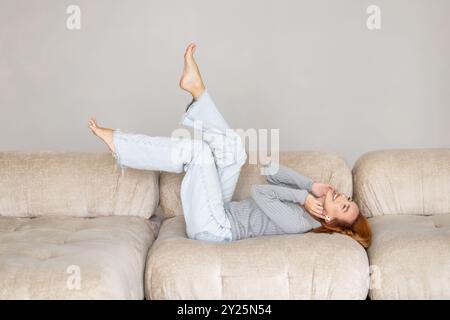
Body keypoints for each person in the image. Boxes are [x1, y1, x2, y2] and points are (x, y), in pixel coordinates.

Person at [88, 43, 371, 248]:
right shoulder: (309, 203)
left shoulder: (301, 221)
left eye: (344, 207)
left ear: (331, 222)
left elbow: (261, 191)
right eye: (348, 200)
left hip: (214, 229)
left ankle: (122, 146)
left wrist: (303, 198)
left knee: (198, 152)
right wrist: (310, 186)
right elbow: (271, 170)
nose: (343, 198)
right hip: (220, 211)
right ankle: (197, 90)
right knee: (235, 150)